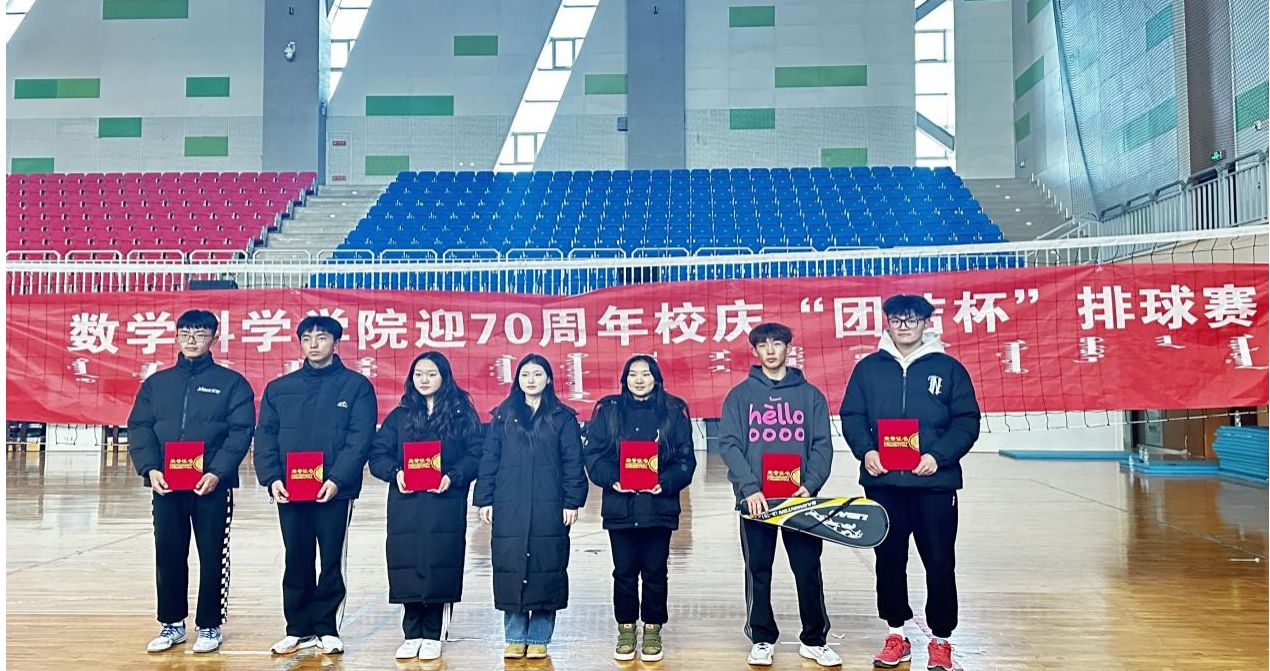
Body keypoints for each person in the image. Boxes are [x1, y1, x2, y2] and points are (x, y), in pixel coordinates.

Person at [839, 294, 981, 671]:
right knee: (888, 560)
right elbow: (852, 415)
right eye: (897, 319)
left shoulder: (949, 369)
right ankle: (896, 634)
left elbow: (967, 420)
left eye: (912, 319)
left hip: (935, 485)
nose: (904, 326)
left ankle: (941, 640)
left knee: (939, 561)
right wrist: (866, 451)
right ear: (887, 322)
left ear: (925, 323)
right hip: (883, 484)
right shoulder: (868, 369)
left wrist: (938, 457)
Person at [128, 309, 256, 654]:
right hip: (167, 486)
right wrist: (150, 469)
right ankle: (171, 624)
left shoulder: (232, 383)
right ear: (176, 337)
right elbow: (140, 427)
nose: (192, 340)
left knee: (212, 554)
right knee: (168, 553)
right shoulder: (157, 383)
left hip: (212, 486)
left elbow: (241, 431)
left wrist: (217, 472)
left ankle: (210, 625)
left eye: (200, 334)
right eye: (185, 333)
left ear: (214, 338)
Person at [253, 315, 378, 656]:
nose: (313, 344)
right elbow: (265, 435)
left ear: (336, 343)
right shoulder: (279, 388)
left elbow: (360, 438)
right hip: (290, 491)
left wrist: (337, 479)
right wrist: (272, 478)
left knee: (332, 559)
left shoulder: (356, 387)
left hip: (335, 492)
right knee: (296, 557)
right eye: (307, 337)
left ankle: (326, 627)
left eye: (321, 337)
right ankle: (298, 628)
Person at [718, 323, 841, 667]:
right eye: (763, 345)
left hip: (800, 500)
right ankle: (762, 638)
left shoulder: (811, 396)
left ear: (788, 348)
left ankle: (814, 640)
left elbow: (822, 446)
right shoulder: (739, 396)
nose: (770, 350)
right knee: (758, 569)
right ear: (755, 351)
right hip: (756, 501)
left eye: (777, 344)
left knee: (807, 569)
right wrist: (749, 488)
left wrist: (810, 485)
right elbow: (729, 445)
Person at [368, 352, 483, 661]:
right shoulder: (400, 416)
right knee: (407, 563)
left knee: (440, 563)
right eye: (418, 374)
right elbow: (377, 455)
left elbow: (476, 454)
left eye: (431, 374)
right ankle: (412, 633)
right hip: (406, 504)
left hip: (445, 502)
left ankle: (433, 633)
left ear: (444, 377)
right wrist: (396, 473)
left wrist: (453, 477)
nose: (424, 379)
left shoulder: (461, 414)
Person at [472, 354, 587, 660]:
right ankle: (514, 635)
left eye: (537, 374)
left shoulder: (563, 417)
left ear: (548, 379)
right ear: (517, 379)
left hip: (550, 504)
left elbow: (573, 461)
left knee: (547, 565)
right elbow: (489, 459)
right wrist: (485, 498)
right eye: (525, 374)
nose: (531, 380)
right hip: (509, 503)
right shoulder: (503, 416)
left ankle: (539, 636)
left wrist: (572, 500)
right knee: (510, 566)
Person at [583, 354, 697, 662]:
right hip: (620, 507)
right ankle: (625, 628)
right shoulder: (608, 411)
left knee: (655, 571)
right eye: (633, 374)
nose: (639, 379)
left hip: (659, 507)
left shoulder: (673, 412)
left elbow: (686, 460)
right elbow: (593, 456)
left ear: (656, 378)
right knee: (623, 572)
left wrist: (665, 482)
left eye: (646, 374)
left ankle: (652, 629)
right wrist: (613, 479)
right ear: (624, 379)